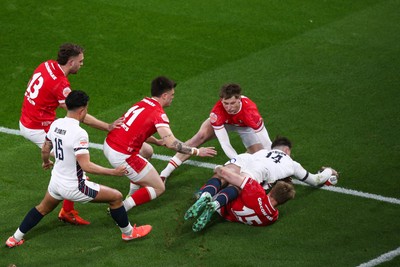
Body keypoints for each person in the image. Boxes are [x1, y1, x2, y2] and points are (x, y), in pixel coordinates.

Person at [6, 91, 152, 248]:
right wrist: (113, 172)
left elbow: (45, 148)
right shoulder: (79, 133)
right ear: (83, 110)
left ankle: (14, 238)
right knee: (116, 197)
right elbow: (86, 166)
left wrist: (46, 161)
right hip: (75, 187)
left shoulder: (55, 124)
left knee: (42, 208)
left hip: (56, 183)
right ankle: (129, 233)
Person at [19, 43, 124, 225]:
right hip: (38, 128)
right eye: (80, 61)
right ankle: (66, 208)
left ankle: (66, 208)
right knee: (75, 162)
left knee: (72, 163)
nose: (82, 64)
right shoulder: (61, 85)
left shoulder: (46, 65)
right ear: (71, 61)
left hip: (26, 119)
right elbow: (79, 114)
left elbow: (30, 85)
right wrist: (107, 126)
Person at [103, 76, 217, 213]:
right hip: (121, 155)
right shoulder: (158, 114)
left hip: (109, 144)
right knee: (159, 187)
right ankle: (122, 207)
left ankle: (132, 191)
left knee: (147, 152)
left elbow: (137, 130)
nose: (173, 97)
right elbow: (172, 143)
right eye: (172, 95)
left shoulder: (142, 103)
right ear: (164, 95)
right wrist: (197, 151)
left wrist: (157, 141)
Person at [184, 136, 339, 231]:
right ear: (287, 150)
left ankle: (206, 194)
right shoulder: (292, 164)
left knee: (222, 176)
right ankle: (215, 205)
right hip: (261, 170)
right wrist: (328, 171)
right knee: (236, 186)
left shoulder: (262, 152)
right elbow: (315, 180)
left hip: (248, 157)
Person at [160, 83, 272, 181]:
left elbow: (266, 141)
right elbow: (225, 143)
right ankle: (165, 173)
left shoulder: (250, 113)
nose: (228, 107)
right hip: (224, 123)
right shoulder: (217, 112)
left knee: (259, 153)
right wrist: (237, 160)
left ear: (239, 100)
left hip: (245, 126)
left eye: (232, 103)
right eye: (225, 103)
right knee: (200, 136)